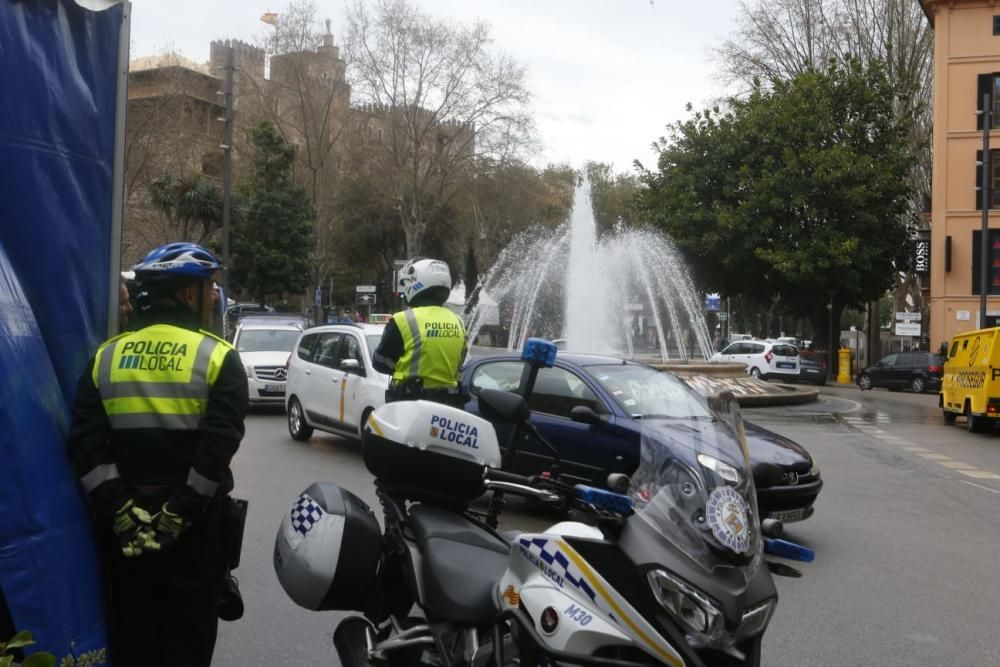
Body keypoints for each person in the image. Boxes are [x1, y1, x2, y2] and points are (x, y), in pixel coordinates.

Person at [67, 242, 248, 667]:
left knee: (131, 645)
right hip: (195, 540)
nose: (213, 298)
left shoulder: (106, 357)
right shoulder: (219, 358)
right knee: (188, 648)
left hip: (125, 543)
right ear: (190, 295)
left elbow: (86, 447)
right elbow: (215, 450)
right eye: (211, 288)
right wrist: (176, 514)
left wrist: (122, 513)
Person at [373, 257, 468, 407]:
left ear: (417, 283)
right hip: (450, 407)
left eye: (406, 283)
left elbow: (379, 362)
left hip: (410, 405)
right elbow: (460, 362)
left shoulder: (402, 320)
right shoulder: (458, 321)